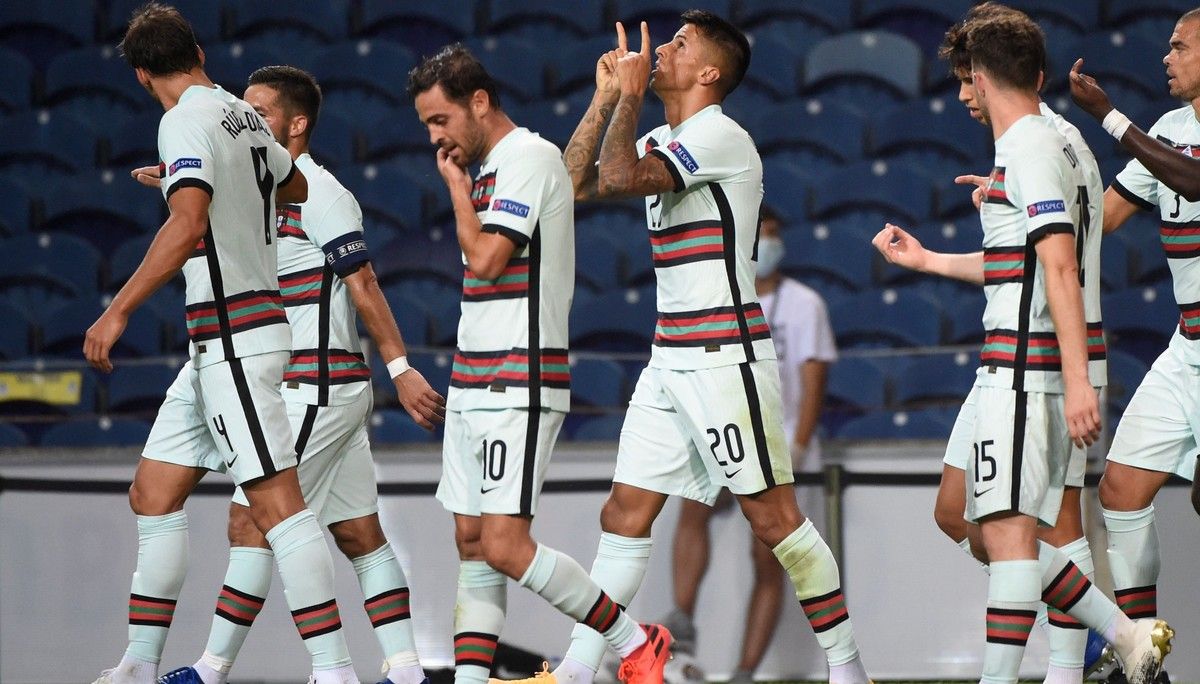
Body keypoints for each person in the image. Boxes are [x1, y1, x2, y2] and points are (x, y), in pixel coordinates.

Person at [512, 11, 870, 684]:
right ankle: (577, 672)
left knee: (776, 523)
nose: (662, 52)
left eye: (679, 45)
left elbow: (616, 177)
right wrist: (603, 97)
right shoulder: (662, 135)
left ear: (709, 73)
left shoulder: (719, 135)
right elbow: (567, 183)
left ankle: (848, 671)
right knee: (623, 511)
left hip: (726, 358)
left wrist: (625, 93)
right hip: (670, 358)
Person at [872, 7, 1170, 684]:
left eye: (963, 83)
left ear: (981, 74)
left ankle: (1072, 663)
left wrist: (1074, 380)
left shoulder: (1030, 150)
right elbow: (1029, 260)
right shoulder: (1062, 141)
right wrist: (928, 262)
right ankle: (1122, 637)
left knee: (1011, 536)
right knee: (970, 515)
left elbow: (1061, 266)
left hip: (1026, 364)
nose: (961, 98)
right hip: (1020, 362)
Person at [85, 5, 363, 684]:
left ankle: (335, 673)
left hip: (237, 336)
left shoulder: (181, 120)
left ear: (143, 73)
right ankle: (140, 665)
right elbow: (290, 184)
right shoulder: (242, 112)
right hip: (214, 346)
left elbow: (186, 229)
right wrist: (209, 181)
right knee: (152, 492)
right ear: (200, 51)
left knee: (278, 508)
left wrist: (115, 312)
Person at [146, 66, 446, 684]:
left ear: (297, 124)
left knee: (252, 518)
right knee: (361, 533)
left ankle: (214, 670)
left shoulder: (321, 192)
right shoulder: (258, 190)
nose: (250, 120)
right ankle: (408, 669)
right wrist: (177, 181)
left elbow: (362, 282)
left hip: (317, 385)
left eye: (261, 113)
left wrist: (402, 367)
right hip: (317, 386)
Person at [406, 44, 669, 684]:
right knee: (471, 542)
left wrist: (457, 194)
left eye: (441, 121)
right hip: (472, 379)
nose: (435, 138)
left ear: (479, 102)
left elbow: (489, 260)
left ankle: (637, 642)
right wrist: (602, 99)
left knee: (503, 545)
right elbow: (570, 174)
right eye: (426, 127)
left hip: (516, 380)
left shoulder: (521, 158)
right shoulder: (509, 162)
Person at [1068, 7, 1200, 677]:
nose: (1166, 57)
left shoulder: (1163, 141)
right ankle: (1140, 653)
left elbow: (1196, 180)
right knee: (1119, 490)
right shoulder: (1172, 131)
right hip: (1187, 349)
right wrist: (1025, 211)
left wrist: (1111, 117)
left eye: (1179, 46)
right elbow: (1106, 220)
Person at [660, 205, 837, 683]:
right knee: (691, 507)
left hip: (778, 447)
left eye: (778, 233)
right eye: (765, 234)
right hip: (722, 436)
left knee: (770, 556)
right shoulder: (717, 297)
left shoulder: (805, 304)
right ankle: (682, 618)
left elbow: (813, 380)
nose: (772, 243)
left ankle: (744, 672)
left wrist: (798, 447)